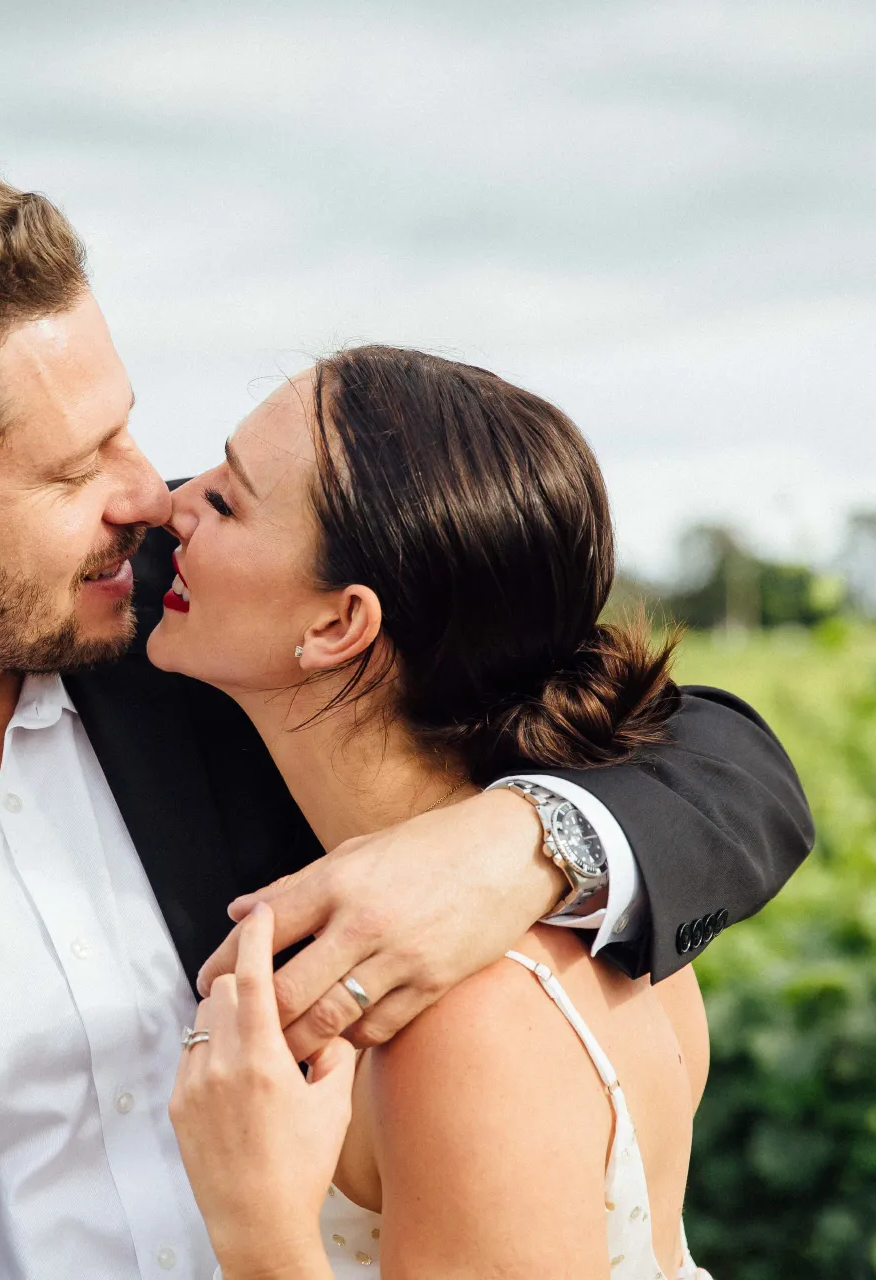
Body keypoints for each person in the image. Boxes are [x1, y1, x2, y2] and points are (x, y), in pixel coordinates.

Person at [0, 148, 810, 1279]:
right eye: (77, 468)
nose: (149, 493)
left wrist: (510, 848)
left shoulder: (217, 618)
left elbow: (723, 763)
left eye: (128, 428)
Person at [161, 348, 719, 1278]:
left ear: (339, 626)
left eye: (226, 500)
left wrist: (258, 1230)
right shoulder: (613, 911)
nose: (173, 503)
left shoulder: (468, 1023)